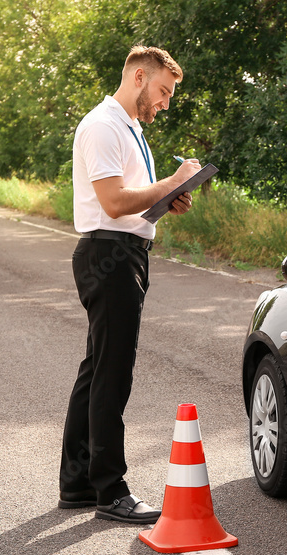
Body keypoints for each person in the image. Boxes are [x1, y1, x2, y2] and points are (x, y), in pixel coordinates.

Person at [59, 45, 203, 524]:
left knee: (96, 368)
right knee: (112, 374)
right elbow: (114, 202)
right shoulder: (102, 125)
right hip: (110, 255)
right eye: (163, 91)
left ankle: (78, 484)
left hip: (121, 253)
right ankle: (110, 490)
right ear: (139, 77)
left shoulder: (130, 127)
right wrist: (173, 180)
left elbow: (135, 201)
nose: (165, 103)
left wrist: (168, 197)